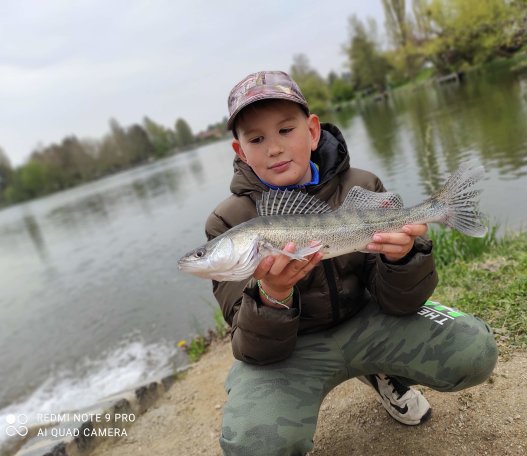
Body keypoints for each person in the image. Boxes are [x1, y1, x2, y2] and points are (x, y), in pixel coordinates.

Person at [205, 70, 497, 456]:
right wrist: (273, 294)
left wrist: (403, 257)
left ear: (312, 131)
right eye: (256, 139)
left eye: (285, 130)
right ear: (240, 151)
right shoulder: (228, 223)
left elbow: (401, 303)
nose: (273, 148)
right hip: (293, 349)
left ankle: (380, 370)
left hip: (367, 322)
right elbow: (254, 348)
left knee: (474, 351)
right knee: (254, 447)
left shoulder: (361, 186)